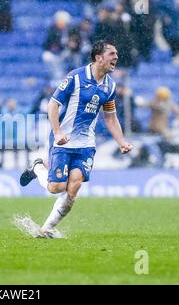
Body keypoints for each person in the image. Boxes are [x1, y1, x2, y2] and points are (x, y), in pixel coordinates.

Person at [17, 40, 133, 238]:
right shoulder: (75, 77)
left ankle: (45, 230)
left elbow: (111, 118)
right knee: (56, 187)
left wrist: (121, 141)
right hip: (63, 141)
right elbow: (53, 105)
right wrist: (58, 132)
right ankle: (37, 166)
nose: (116, 57)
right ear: (99, 58)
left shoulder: (109, 86)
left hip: (86, 144)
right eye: (112, 54)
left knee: (74, 187)